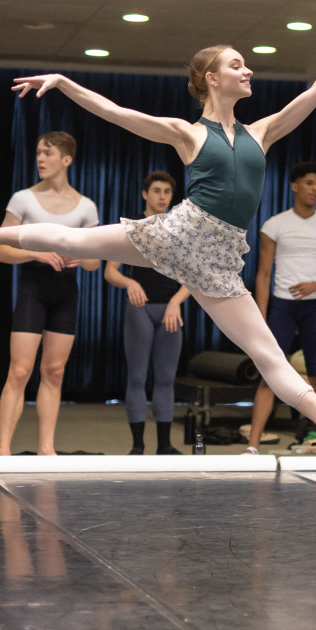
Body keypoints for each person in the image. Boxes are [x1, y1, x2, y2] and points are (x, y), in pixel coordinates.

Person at [0, 25, 316, 468]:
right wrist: (65, 83)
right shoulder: (189, 133)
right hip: (179, 233)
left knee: (269, 357)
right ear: (211, 79)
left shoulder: (262, 132)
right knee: (70, 237)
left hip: (218, 261)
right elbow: (119, 115)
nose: (248, 71)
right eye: (238, 65)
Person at [0, 131, 100, 456]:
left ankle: (46, 449)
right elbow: (0, 250)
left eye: (48, 153)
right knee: (21, 370)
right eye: (38, 152)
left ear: (66, 160)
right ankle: (3, 450)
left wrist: (79, 257)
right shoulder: (22, 199)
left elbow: (95, 262)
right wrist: (36, 254)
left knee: (54, 372)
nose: (40, 158)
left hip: (65, 291)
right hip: (33, 288)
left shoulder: (85, 206)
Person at [245, 162, 316, 454]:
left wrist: (315, 285)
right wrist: (260, 318)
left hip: (314, 309)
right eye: (309, 183)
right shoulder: (275, 224)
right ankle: (253, 446)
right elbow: (263, 275)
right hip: (282, 308)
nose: (315, 189)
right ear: (295, 186)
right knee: (269, 376)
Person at [103, 171, 191, 455]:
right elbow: (110, 272)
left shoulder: (179, 230)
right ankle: (137, 446)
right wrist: (130, 282)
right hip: (140, 309)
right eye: (157, 191)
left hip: (169, 311)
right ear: (145, 194)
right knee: (138, 377)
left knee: (165, 378)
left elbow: (193, 277)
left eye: (167, 191)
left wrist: (177, 301)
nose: (162, 196)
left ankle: (164, 445)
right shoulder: (130, 227)